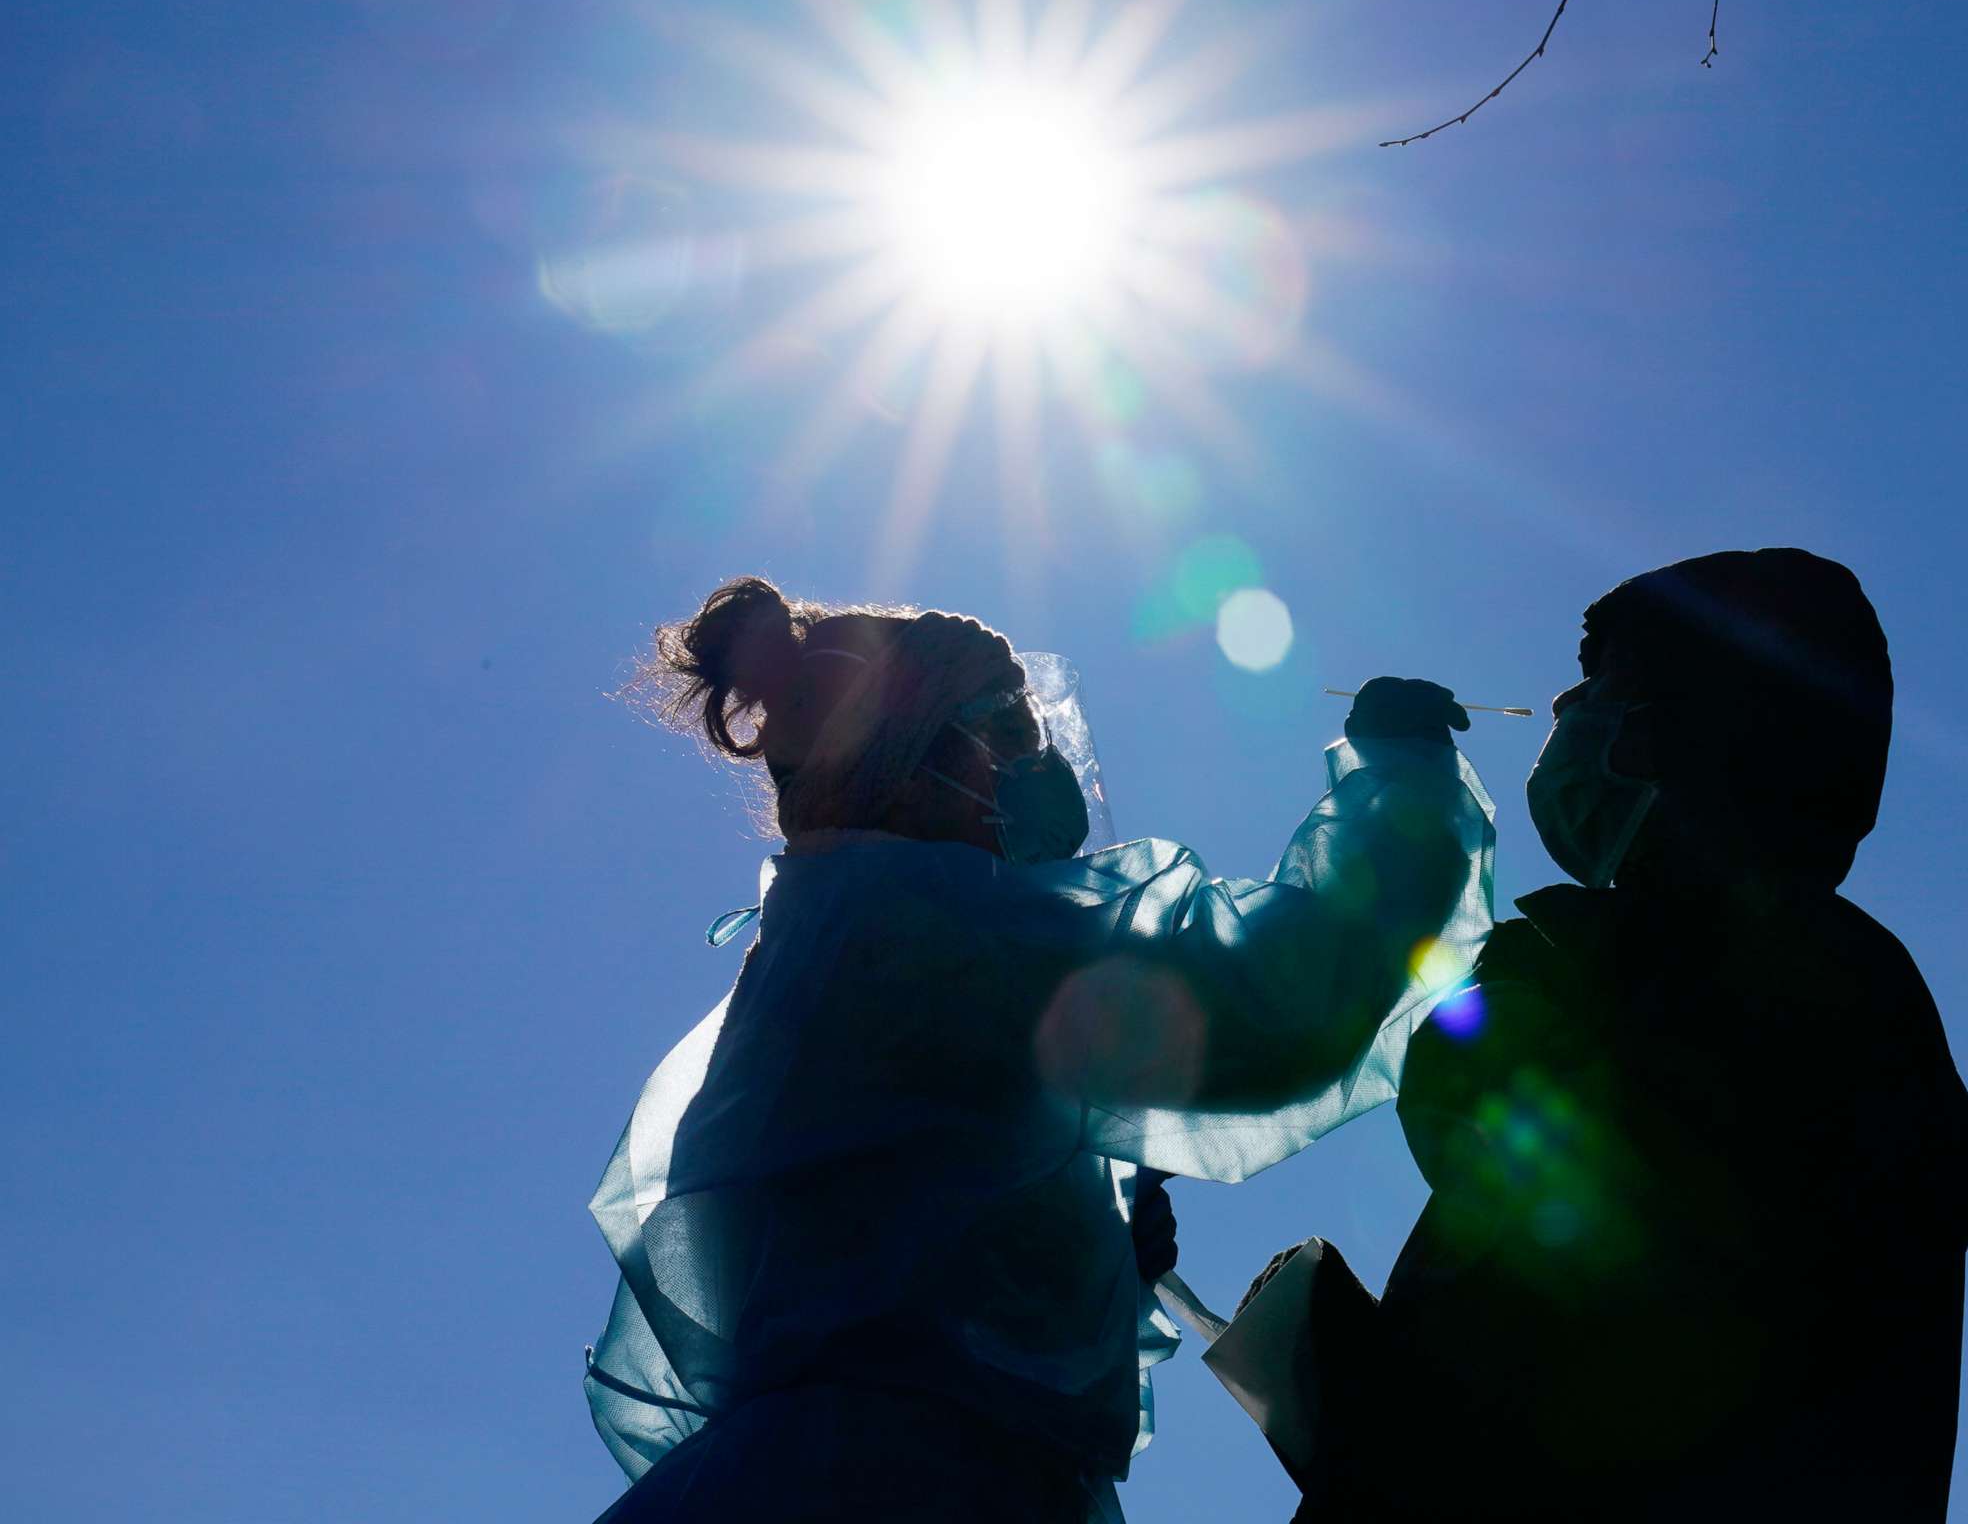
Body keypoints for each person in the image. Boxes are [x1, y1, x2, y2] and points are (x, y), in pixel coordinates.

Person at [579, 577, 1493, 1523]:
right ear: (910, 753)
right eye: (1010, 738)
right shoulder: (924, 930)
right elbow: (1282, 1008)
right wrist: (1404, 781)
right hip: (897, 1484)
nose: (1037, 769)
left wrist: (1080, 1255)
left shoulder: (844, 927)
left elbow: (878, 1238)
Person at [1279, 549, 1968, 1521]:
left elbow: (1608, 1347)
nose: (1565, 710)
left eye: (1601, 684)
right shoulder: (1745, 963)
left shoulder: (1778, 980)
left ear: (1682, 724)